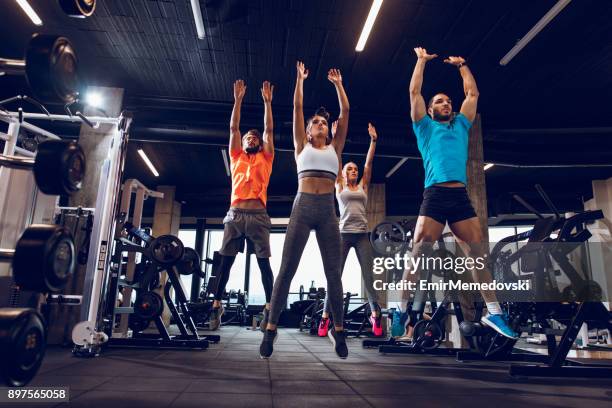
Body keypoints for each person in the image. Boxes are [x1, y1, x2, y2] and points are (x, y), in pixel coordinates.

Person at [401, 46, 518, 339]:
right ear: (430, 110)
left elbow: (473, 95)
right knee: (418, 252)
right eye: (439, 101)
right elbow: (414, 93)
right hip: (435, 195)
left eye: (447, 101)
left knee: (477, 255)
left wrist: (463, 65)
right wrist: (420, 62)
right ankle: (399, 310)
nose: (446, 103)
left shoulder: (462, 125)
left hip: (460, 197)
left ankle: (495, 314)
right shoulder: (425, 127)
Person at [260, 61, 350, 358]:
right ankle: (270, 330)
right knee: (286, 269)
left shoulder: (335, 149)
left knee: (333, 274)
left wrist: (338, 85)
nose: (321, 124)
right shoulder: (302, 146)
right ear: (309, 132)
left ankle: (338, 332)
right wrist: (299, 79)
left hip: (327, 210)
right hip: (303, 206)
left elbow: (345, 113)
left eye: (324, 122)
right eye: (316, 123)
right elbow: (297, 108)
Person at [209, 80, 275, 331]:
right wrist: (237, 100)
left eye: (254, 137)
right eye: (248, 137)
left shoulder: (266, 157)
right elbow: (233, 127)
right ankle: (217, 304)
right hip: (235, 215)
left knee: (263, 263)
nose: (250, 138)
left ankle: (269, 307)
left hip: (258, 215)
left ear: (258, 143)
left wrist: (267, 103)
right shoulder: (236, 155)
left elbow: (268, 129)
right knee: (225, 262)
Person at [318, 122, 383, 337]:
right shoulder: (339, 185)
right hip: (343, 235)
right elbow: (336, 156)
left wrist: (373, 141)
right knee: (334, 276)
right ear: (343, 174)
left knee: (369, 276)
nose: (354, 171)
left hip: (362, 235)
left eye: (355, 169)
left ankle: (375, 315)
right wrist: (335, 137)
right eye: (350, 169)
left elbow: (369, 162)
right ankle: (326, 317)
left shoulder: (364, 186)